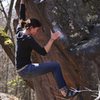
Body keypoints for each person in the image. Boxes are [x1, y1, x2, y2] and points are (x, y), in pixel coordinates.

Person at [16, 0, 79, 98]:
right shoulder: (28, 39)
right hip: (26, 70)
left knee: (52, 67)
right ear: (31, 27)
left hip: (23, 68)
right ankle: (65, 92)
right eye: (36, 30)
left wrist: (22, 2)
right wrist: (52, 39)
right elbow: (43, 52)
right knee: (55, 66)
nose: (36, 32)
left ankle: (64, 90)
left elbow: (21, 15)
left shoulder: (20, 30)